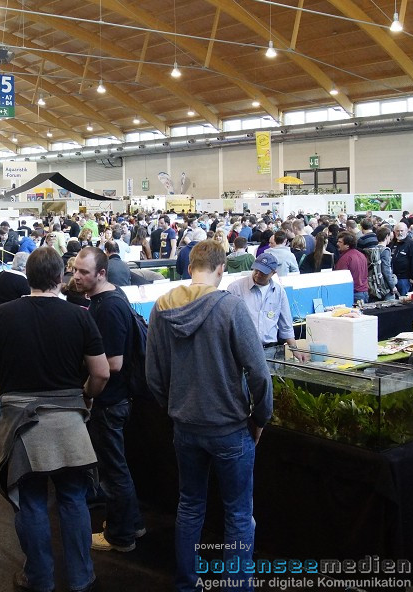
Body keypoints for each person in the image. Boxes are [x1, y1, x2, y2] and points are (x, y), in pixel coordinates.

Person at [0, 246, 107, 592]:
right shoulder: (79, 316)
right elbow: (102, 373)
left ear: (27, 277)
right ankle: (80, 577)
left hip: (21, 426)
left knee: (30, 501)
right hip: (69, 423)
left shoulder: (3, 315)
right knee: (73, 499)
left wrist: (4, 381)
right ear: (60, 278)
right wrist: (86, 393)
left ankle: (40, 578)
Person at [146, 240, 272, 592]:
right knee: (237, 517)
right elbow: (259, 373)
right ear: (221, 270)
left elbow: (153, 374)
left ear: (190, 268)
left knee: (189, 508)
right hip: (230, 427)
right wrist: (260, 418)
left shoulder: (161, 307)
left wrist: (174, 407)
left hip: (185, 427)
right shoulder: (231, 308)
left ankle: (186, 584)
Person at [71, 247, 146, 554]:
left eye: (83, 272)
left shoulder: (108, 308)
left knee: (114, 471)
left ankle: (120, 535)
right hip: (116, 398)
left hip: (111, 401)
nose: (76, 277)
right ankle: (132, 523)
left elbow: (112, 365)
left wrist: (88, 392)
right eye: (75, 270)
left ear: (101, 274)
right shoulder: (109, 300)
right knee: (117, 468)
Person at [226, 251, 302, 361]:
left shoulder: (279, 292)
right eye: (256, 270)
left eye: (263, 272)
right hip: (243, 351)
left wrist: (295, 350)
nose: (258, 274)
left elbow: (286, 326)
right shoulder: (235, 288)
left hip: (270, 351)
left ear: (273, 273)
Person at [333, 232, 369, 304]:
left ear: (347, 245)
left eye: (340, 242)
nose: (337, 244)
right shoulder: (362, 255)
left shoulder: (345, 258)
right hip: (364, 292)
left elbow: (339, 278)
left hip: (353, 294)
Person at [389, 223, 413, 296]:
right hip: (392, 279)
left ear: (406, 231)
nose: (400, 233)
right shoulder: (392, 243)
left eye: (402, 231)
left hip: (404, 279)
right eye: (397, 231)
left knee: (403, 302)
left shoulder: (411, 244)